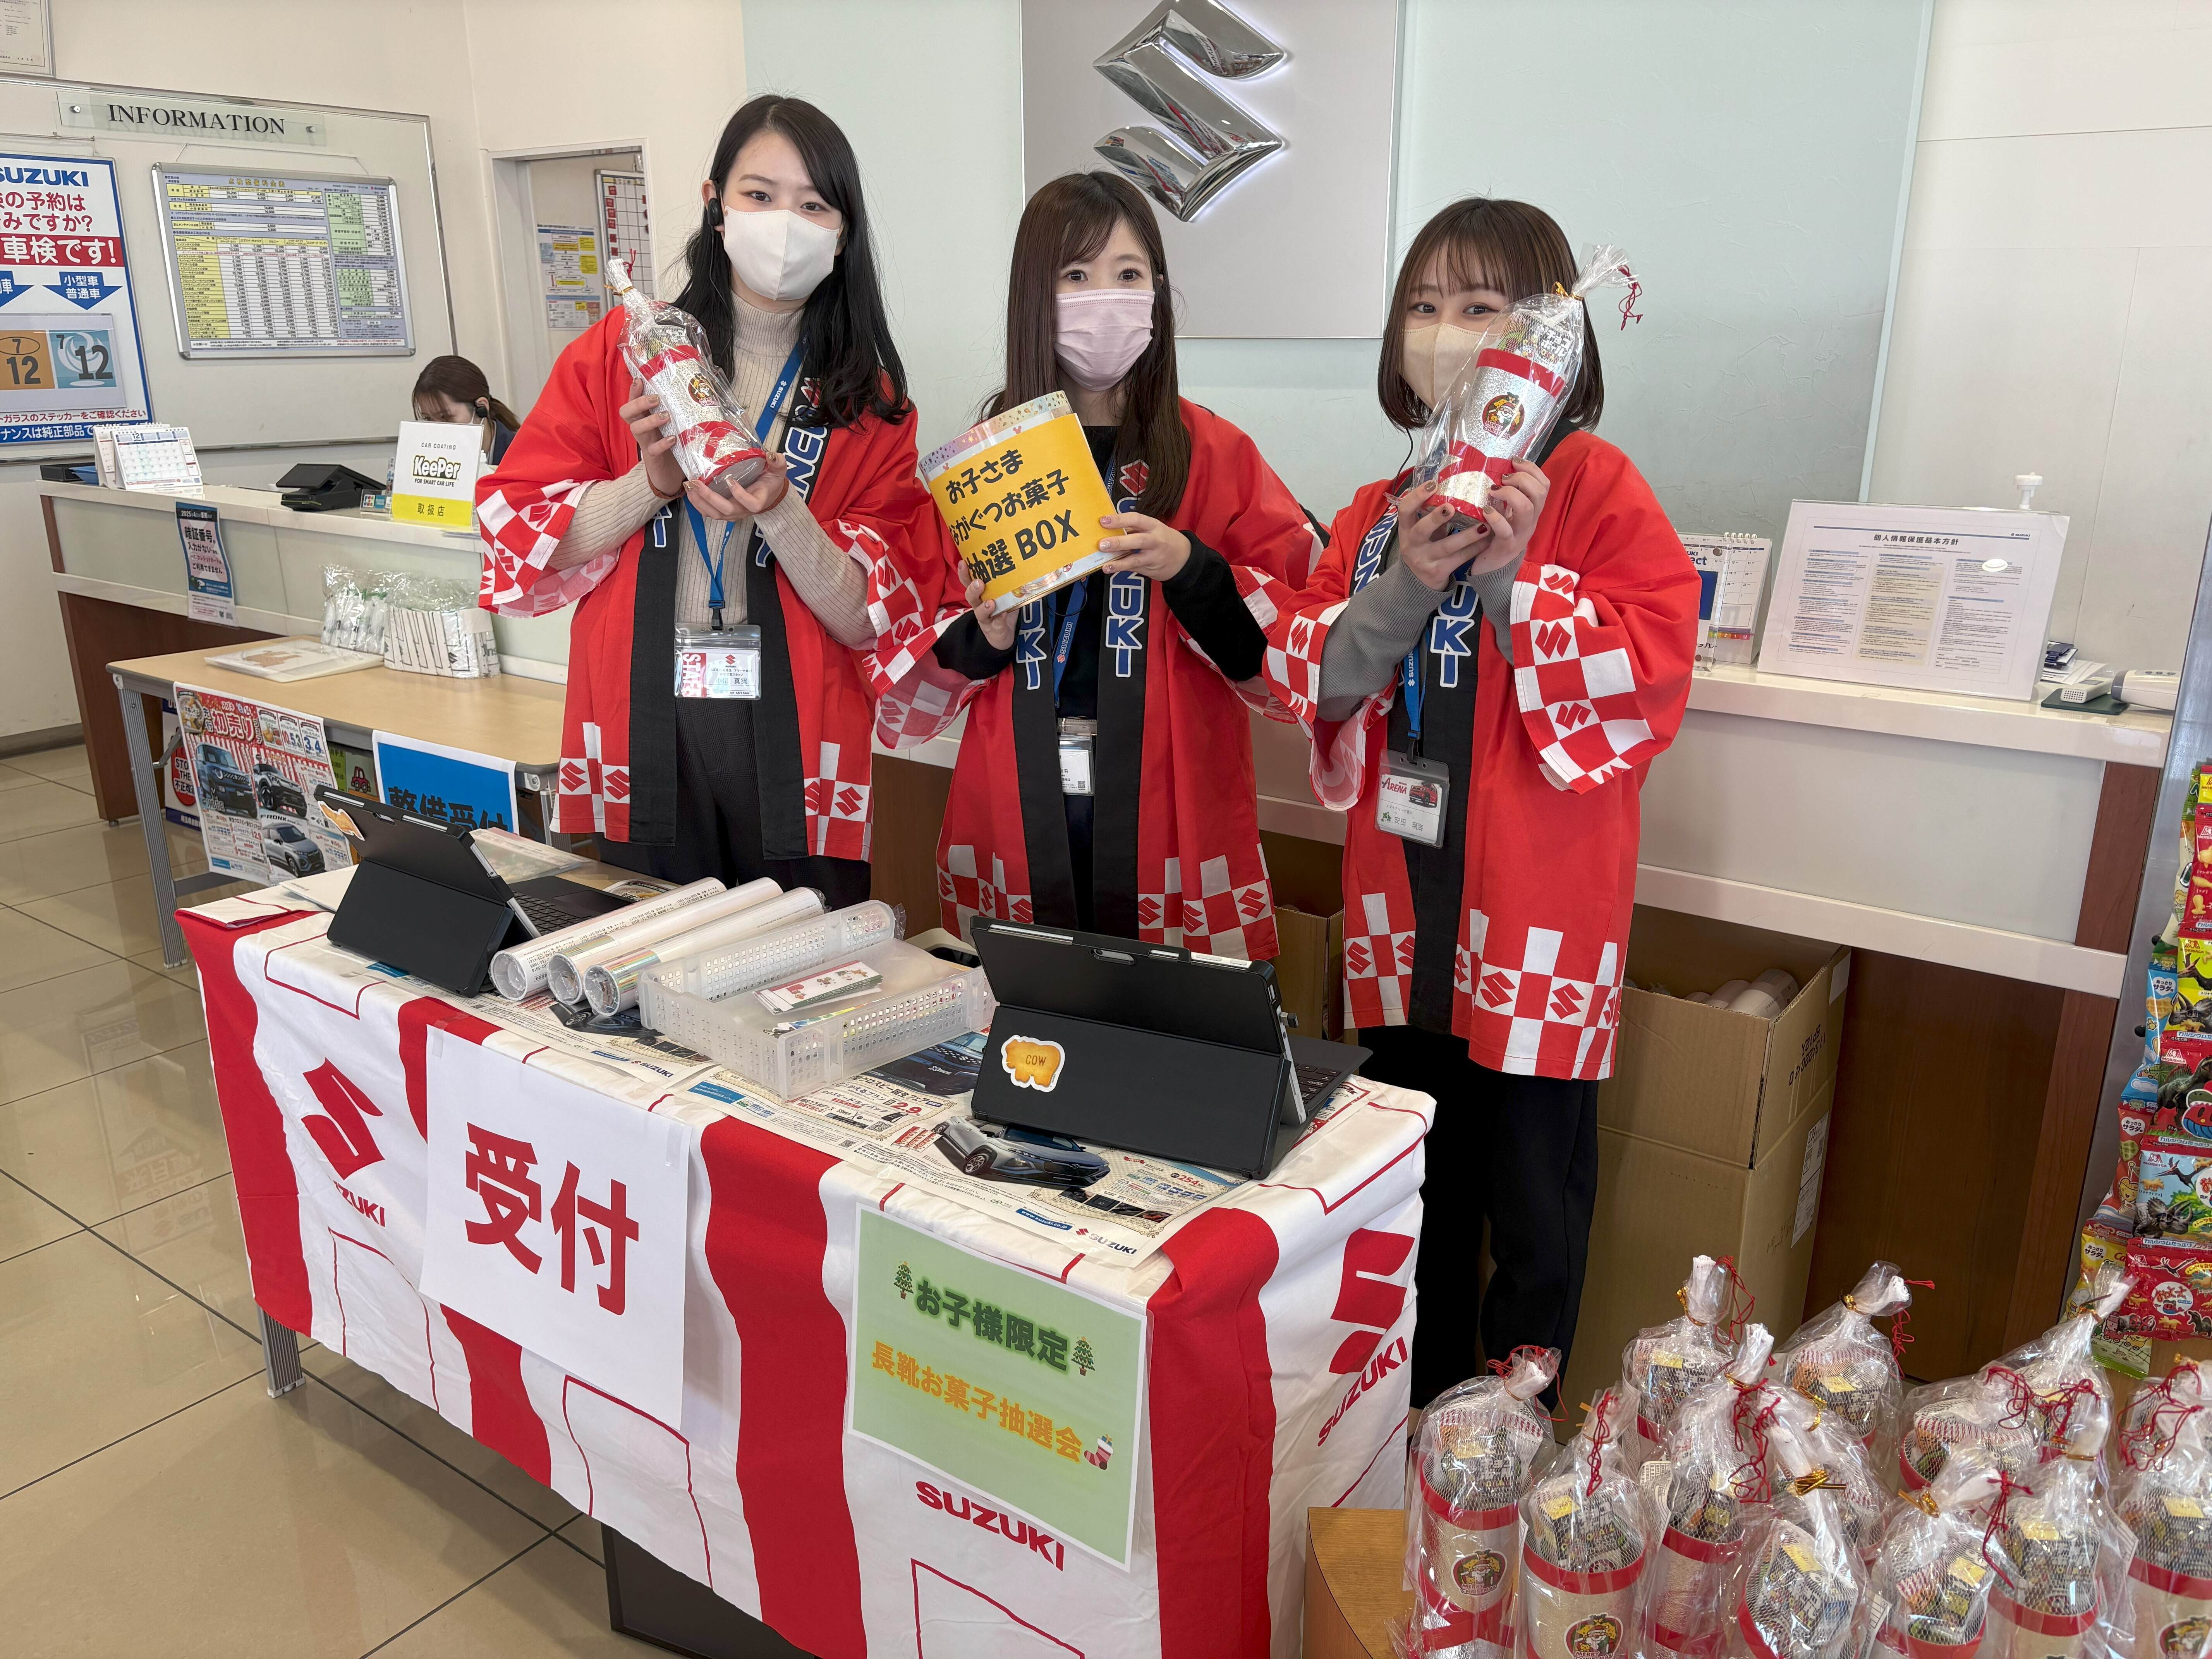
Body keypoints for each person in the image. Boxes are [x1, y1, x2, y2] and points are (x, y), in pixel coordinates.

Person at [1255, 198, 1698, 1406]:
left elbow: (1647, 675)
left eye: (1482, 306)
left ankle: (1504, 1451)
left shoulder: (1593, 486)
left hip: (1535, 923)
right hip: (1399, 914)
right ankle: (1403, 1432)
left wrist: (1511, 580)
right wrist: (1407, 579)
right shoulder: (1377, 506)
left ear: (1546, 338)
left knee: (1534, 1215)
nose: (1447, 331)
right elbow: (1317, 676)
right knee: (1409, 1196)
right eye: (1424, 305)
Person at [478, 96, 948, 906]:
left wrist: (782, 510)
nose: (785, 225)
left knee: (801, 956)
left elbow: (868, 617)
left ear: (843, 231)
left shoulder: (868, 402)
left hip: (800, 730)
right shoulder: (621, 355)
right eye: (759, 195)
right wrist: (650, 483)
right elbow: (522, 539)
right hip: (642, 714)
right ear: (715, 203)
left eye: (813, 205)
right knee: (647, 954)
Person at [871, 171, 1318, 954]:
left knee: (1171, 1011)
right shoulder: (986, 465)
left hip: (1173, 796)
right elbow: (914, 642)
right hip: (1018, 789)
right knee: (1024, 1005)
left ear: (1158, 294)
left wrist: (1191, 567)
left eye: (1128, 274)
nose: (1103, 297)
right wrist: (988, 634)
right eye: (1075, 276)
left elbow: (1291, 646)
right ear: (1034, 297)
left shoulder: (1216, 453)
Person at [412, 355, 520, 463]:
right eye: (429, 419)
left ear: (481, 408)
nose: (438, 431)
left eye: (446, 417)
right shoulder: (432, 460)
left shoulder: (521, 456)